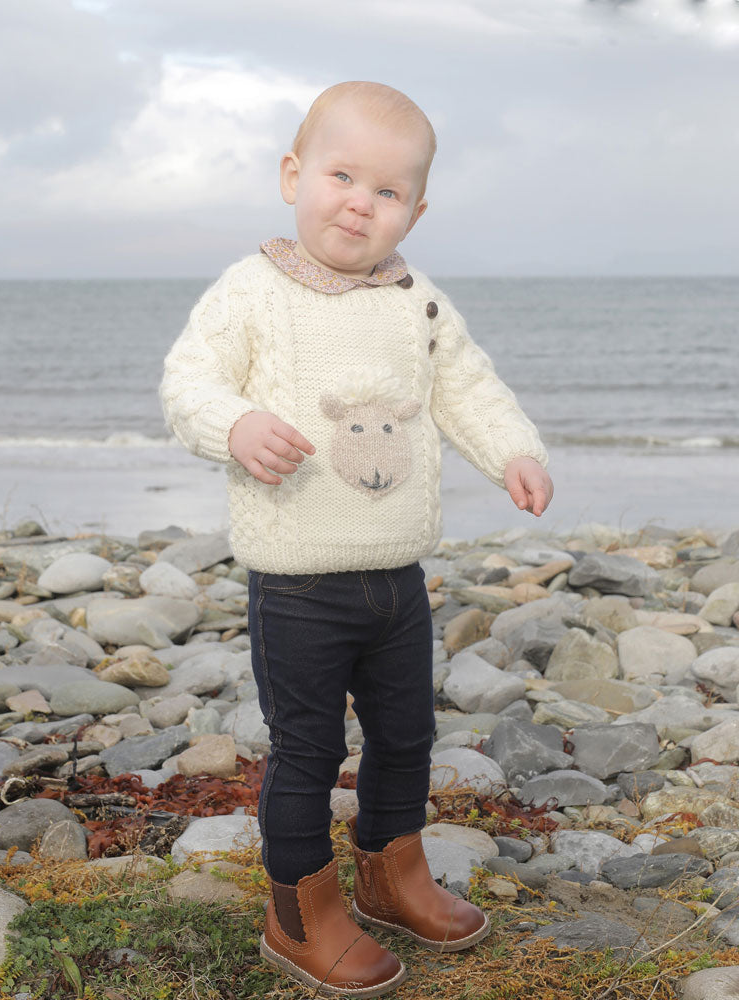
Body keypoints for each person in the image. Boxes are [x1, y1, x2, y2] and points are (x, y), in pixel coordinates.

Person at [160, 80, 553, 998]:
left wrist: (515, 453)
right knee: (306, 750)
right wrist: (234, 425)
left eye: (387, 192)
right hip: (297, 582)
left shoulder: (414, 299)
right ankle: (300, 910)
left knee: (406, 733)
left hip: (395, 577)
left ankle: (390, 870)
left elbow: (468, 388)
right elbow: (189, 380)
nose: (359, 204)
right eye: (342, 176)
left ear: (415, 210)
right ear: (295, 175)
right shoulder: (252, 290)